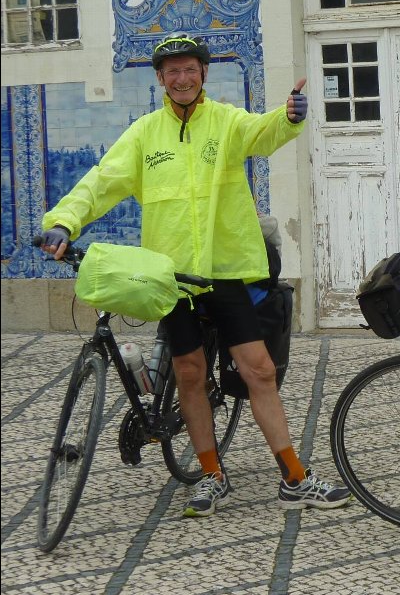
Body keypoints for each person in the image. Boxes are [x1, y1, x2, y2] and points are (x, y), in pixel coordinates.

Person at [41, 34, 351, 518]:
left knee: (260, 370)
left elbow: (262, 133)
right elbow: (102, 181)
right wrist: (64, 220)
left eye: (190, 69)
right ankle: (211, 475)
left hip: (225, 270)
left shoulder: (226, 121)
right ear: (160, 79)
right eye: (172, 71)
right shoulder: (144, 133)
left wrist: (289, 116)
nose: (181, 78)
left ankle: (294, 476)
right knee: (189, 372)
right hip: (170, 277)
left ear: (203, 75)